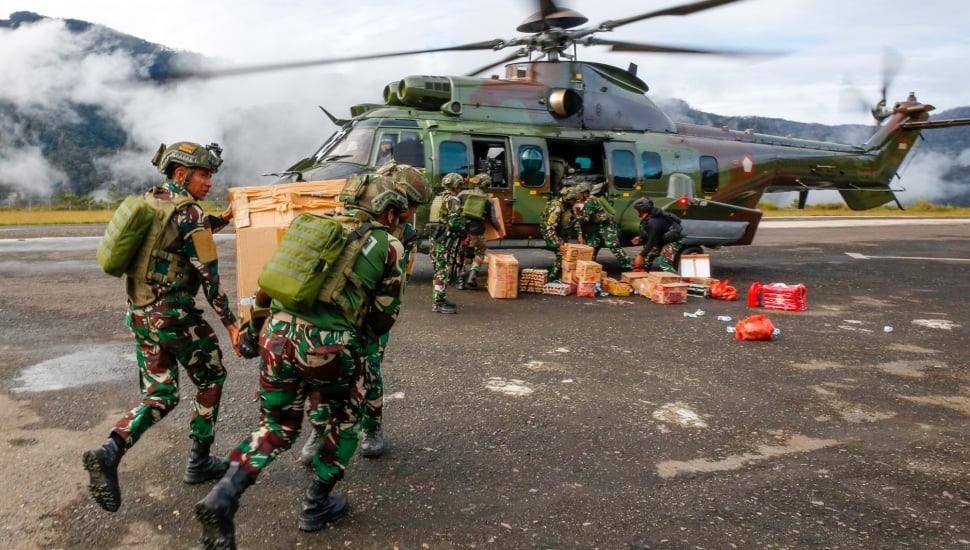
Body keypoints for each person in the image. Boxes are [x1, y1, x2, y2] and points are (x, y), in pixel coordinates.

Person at [194, 177, 409, 549]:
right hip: (329, 346)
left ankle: (224, 494)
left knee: (276, 425)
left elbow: (269, 283)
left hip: (275, 337)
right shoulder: (389, 245)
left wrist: (252, 331)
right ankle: (316, 503)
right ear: (388, 211)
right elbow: (381, 319)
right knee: (344, 420)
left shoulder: (309, 226)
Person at [83, 141, 241, 513]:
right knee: (211, 378)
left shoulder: (154, 201)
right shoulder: (189, 212)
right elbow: (210, 279)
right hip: (175, 317)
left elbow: (177, 238)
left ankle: (110, 449)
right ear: (182, 174)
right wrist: (232, 325)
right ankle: (199, 461)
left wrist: (222, 218)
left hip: (141, 313)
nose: (209, 183)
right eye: (204, 175)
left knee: (160, 396)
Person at [298, 163, 432, 462]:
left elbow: (396, 274)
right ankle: (319, 429)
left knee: (370, 367)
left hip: (374, 305)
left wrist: (376, 324)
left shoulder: (404, 228)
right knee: (320, 368)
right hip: (338, 301)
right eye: (411, 206)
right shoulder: (365, 199)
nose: (412, 213)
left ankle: (371, 428)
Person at [456, 173, 503, 289]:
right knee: (480, 252)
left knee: (460, 253)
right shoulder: (488, 200)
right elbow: (493, 219)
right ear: (486, 185)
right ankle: (473, 274)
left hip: (461, 230)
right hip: (477, 231)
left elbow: (454, 209)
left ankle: (460, 280)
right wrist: (499, 229)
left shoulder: (462, 194)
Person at [427, 172, 465, 313]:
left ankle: (439, 298)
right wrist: (461, 232)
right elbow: (454, 222)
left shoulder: (438, 198)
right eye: (459, 185)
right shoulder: (453, 200)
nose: (460, 188)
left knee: (438, 270)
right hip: (444, 239)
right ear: (456, 185)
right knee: (442, 271)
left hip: (434, 238)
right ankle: (438, 303)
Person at [574, 181, 633, 271]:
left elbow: (585, 218)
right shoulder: (589, 200)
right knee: (592, 247)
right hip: (597, 227)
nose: (578, 195)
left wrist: (576, 213)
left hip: (606, 227)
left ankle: (628, 265)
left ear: (584, 192)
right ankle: (589, 266)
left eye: (580, 193)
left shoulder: (590, 201)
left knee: (613, 246)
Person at [631, 197, 684, 273]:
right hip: (661, 239)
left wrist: (641, 255)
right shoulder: (650, 218)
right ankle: (642, 275)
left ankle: (675, 281)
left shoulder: (653, 221)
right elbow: (653, 233)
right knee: (647, 258)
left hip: (673, 241)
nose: (637, 213)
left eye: (637, 210)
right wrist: (641, 237)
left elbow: (652, 241)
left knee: (664, 263)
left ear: (642, 210)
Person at [539, 186, 580, 279]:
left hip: (559, 231)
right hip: (550, 232)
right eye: (574, 200)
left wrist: (580, 235)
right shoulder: (557, 207)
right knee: (562, 252)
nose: (575, 202)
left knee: (567, 251)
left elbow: (575, 220)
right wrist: (559, 244)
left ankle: (560, 274)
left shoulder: (568, 206)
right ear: (569, 198)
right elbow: (549, 228)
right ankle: (553, 276)